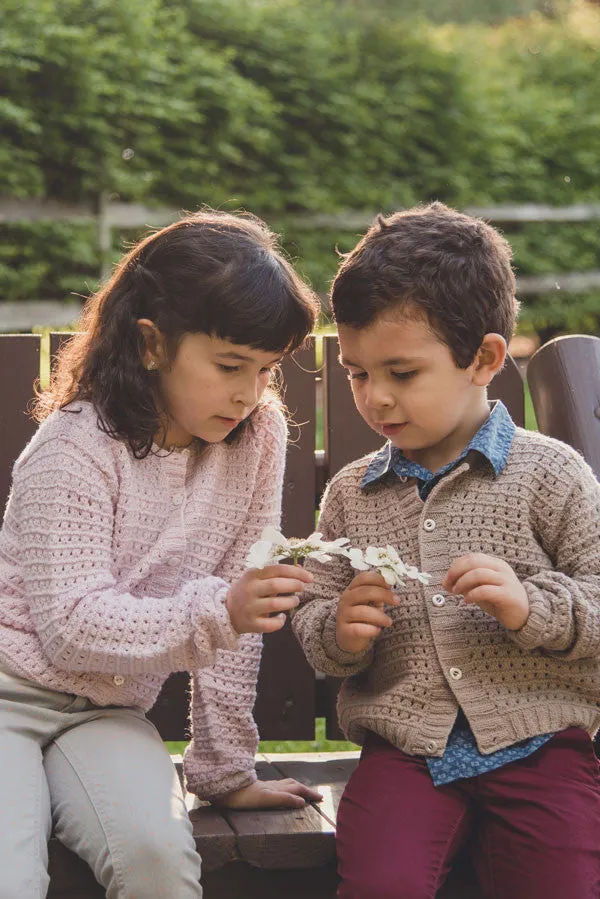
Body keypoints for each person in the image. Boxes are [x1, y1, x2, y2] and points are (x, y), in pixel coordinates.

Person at [0, 210, 323, 899]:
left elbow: (240, 621)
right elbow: (72, 625)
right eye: (230, 365)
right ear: (151, 343)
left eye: (266, 369)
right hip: (7, 693)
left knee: (157, 859)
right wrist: (223, 607)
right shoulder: (75, 445)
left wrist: (225, 771)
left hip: (106, 711)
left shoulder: (256, 437)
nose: (249, 391)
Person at [292, 202, 600, 899]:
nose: (377, 397)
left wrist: (531, 607)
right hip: (405, 751)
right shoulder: (353, 493)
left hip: (541, 746)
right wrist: (341, 629)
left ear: (484, 359)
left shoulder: (549, 476)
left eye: (402, 372)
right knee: (381, 881)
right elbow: (313, 620)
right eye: (358, 372)